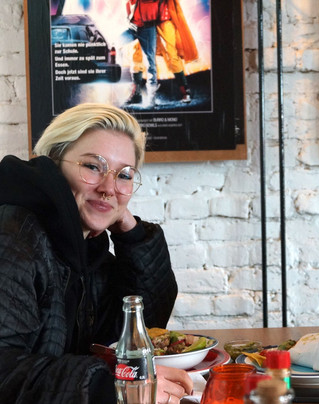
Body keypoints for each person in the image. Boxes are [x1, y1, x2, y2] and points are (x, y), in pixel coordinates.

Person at [0, 103, 191, 403]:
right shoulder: (14, 234)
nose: (109, 188)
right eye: (92, 167)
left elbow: (138, 328)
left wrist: (131, 232)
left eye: (124, 175)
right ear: (53, 164)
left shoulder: (89, 250)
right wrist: (112, 387)